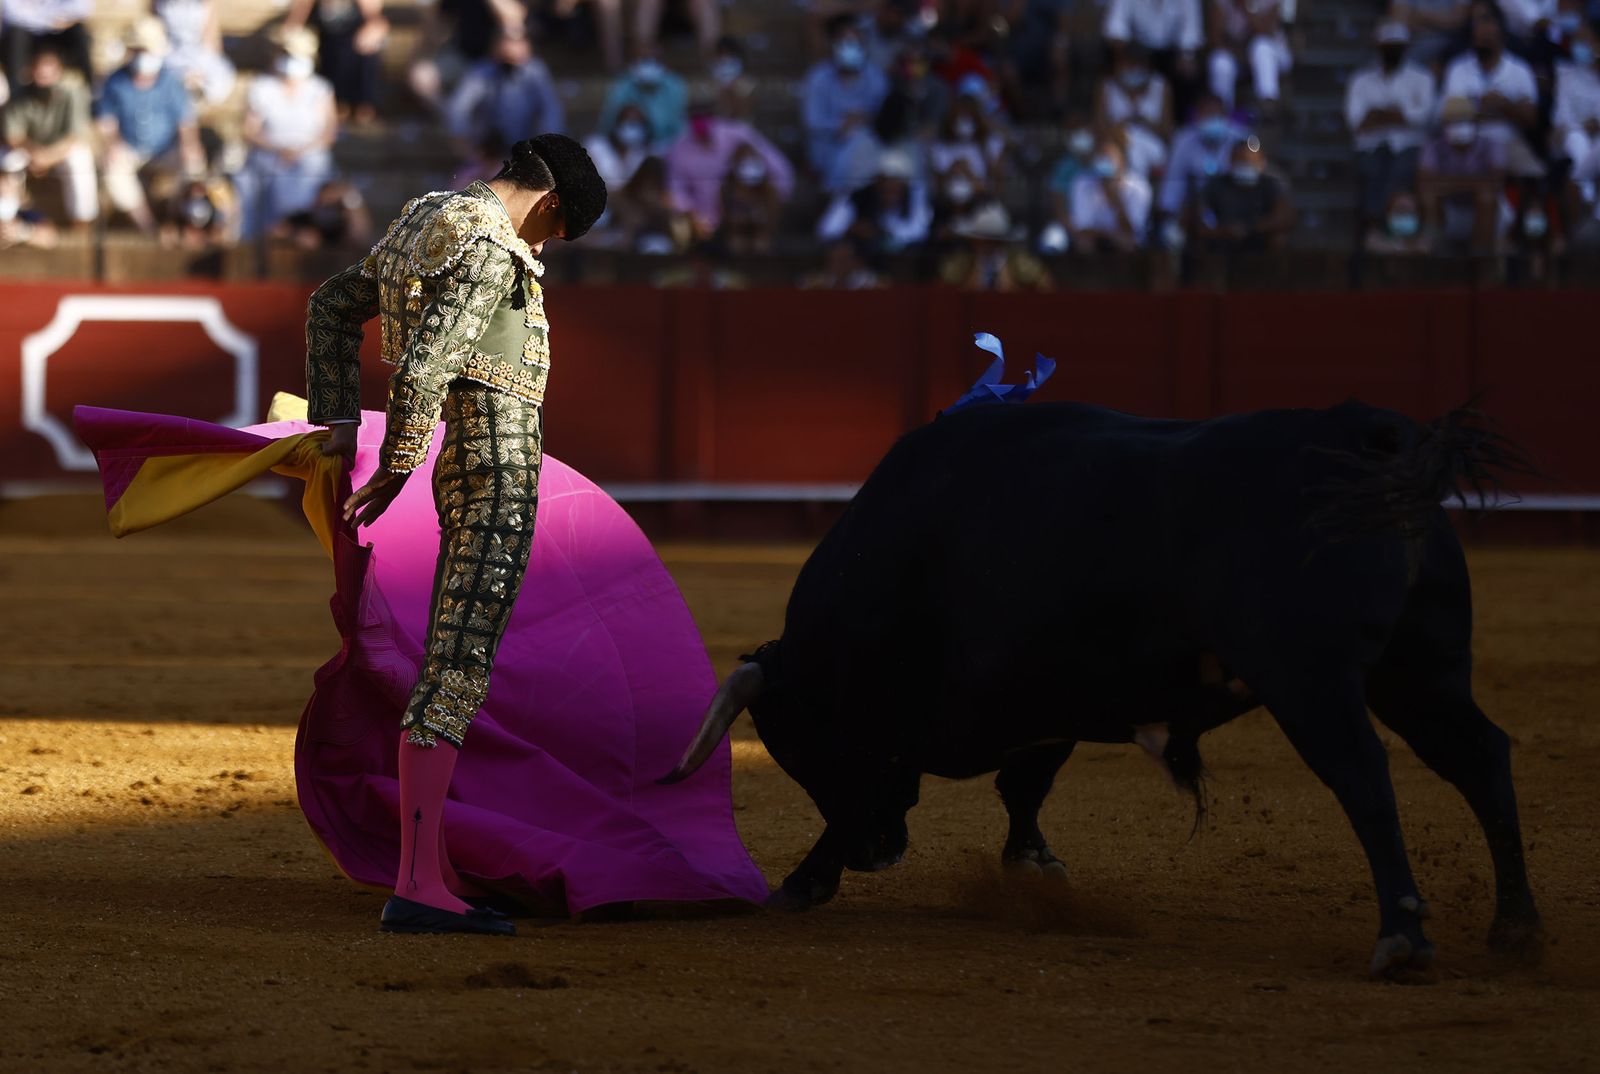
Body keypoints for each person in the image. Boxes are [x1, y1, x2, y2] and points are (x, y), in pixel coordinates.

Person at [304, 134, 607, 936]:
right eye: (552, 234)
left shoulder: (424, 219)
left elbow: (330, 307)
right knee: (458, 664)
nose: (542, 249)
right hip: (495, 475)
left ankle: (429, 868)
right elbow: (428, 362)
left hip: (459, 469)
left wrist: (338, 423)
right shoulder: (490, 244)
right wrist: (395, 465)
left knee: (449, 658)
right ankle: (417, 886)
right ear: (547, 205)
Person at [95, 17, 205, 235]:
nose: (142, 55)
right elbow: (106, 122)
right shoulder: (114, 82)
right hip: (129, 147)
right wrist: (112, 145)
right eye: (138, 49)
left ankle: (178, 223)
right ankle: (149, 228)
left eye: (147, 49)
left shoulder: (172, 81)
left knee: (194, 163)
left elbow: (186, 122)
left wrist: (188, 145)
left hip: (166, 147)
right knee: (112, 168)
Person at [237, 27, 339, 239]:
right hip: (270, 154)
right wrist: (279, 149)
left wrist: (300, 150)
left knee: (311, 171)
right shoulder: (262, 87)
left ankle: (301, 231)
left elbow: (329, 133)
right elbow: (249, 131)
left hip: (309, 155)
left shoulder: (320, 89)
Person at [1346, 21, 1437, 234]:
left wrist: (1378, 114)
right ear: (1378, 46)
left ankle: (1387, 231)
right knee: (1371, 169)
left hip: (1409, 144)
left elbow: (1423, 117)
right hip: (1370, 145)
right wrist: (1398, 115)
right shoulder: (1361, 80)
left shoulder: (1421, 77)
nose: (1392, 50)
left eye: (1397, 45)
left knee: (1401, 172)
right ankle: (1375, 231)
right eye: (1388, 45)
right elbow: (1357, 122)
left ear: (1406, 47)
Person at [1439, 2, 1543, 177]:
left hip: (1508, 142)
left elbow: (1531, 118)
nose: (1479, 28)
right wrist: (1488, 106)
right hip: (1466, 145)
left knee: (1535, 175)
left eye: (1485, 21)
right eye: (1475, 23)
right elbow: (1449, 113)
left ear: (1500, 28)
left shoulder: (1519, 69)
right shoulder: (1457, 67)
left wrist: (1502, 104)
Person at [664, 101, 793, 238]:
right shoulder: (679, 149)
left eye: (704, 116)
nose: (700, 121)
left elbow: (780, 169)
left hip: (745, 212)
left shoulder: (739, 134)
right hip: (704, 223)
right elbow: (675, 190)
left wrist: (770, 202)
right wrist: (693, 214)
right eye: (694, 118)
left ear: (714, 115)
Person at [3, 43, 97, 229]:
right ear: (31, 72)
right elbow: (13, 136)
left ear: (59, 73)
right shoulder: (20, 96)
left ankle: (82, 222)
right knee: (8, 160)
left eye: (48, 74)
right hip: (30, 151)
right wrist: (36, 154)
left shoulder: (73, 94)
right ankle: (7, 219)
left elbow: (76, 136)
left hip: (60, 151)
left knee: (80, 158)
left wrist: (48, 157)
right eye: (40, 73)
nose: (44, 79)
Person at [803, 14, 890, 192]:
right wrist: (841, 125)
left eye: (856, 42)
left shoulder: (876, 78)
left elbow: (884, 118)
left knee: (862, 140)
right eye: (846, 42)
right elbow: (812, 121)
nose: (851, 47)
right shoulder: (818, 77)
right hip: (826, 146)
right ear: (834, 44)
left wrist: (861, 120)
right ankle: (840, 192)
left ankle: (844, 195)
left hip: (867, 147)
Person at [444, 29, 564, 152]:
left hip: (527, 149)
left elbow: (551, 110)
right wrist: (464, 141)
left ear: (527, 45)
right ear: (494, 45)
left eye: (517, 41)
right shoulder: (481, 71)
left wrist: (547, 145)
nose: (510, 46)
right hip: (487, 150)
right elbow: (458, 108)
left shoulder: (536, 71)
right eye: (506, 40)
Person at [1418, 95, 1507, 251]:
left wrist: (1447, 183)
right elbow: (1424, 183)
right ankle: (1439, 256)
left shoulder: (1491, 145)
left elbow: (1496, 183)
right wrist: (1476, 183)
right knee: (1429, 196)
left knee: (1487, 196)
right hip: (1448, 210)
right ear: (1445, 125)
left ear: (1475, 123)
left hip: (1484, 212)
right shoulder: (1433, 146)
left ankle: (1481, 259)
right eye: (1454, 121)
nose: (1460, 125)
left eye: (1465, 120)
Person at [284, 0, 390, 124]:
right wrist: (292, 30)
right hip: (328, 40)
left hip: (356, 38)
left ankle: (362, 104)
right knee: (334, 50)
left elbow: (375, 19)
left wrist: (373, 29)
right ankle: (338, 104)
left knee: (361, 47)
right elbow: (300, 11)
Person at [815, 146, 933, 254]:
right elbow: (826, 229)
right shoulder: (857, 196)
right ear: (878, 182)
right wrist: (851, 228)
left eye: (896, 182)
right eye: (886, 182)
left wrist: (882, 233)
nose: (890, 188)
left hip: (904, 258)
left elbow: (920, 232)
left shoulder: (916, 194)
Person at [1102, 0, 1204, 117]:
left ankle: (1177, 121)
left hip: (1171, 53)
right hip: (1137, 49)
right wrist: (1124, 58)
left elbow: (1191, 31)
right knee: (1116, 63)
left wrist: (1186, 56)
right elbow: (1116, 26)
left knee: (1189, 72)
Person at [1192, 137, 1294, 251]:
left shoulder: (1270, 184)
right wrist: (1224, 231)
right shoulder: (1216, 185)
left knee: (1279, 238)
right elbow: (1201, 218)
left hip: (1259, 237)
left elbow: (1284, 217)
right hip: (1223, 237)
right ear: (1230, 161)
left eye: (1250, 162)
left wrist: (1252, 228)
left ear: (1262, 162)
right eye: (1241, 161)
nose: (1245, 166)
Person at [1158, 91, 1245, 218]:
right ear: (1197, 116)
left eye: (1216, 115)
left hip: (1233, 198)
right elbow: (1174, 178)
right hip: (1197, 201)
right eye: (1207, 115)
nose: (1212, 119)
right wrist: (1168, 212)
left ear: (1225, 116)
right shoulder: (1183, 139)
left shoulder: (1241, 137)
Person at [938, 200, 1052, 289]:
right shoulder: (962, 262)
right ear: (974, 241)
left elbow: (1045, 287)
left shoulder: (1020, 262)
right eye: (983, 241)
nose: (988, 247)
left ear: (1002, 243)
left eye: (994, 242)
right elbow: (945, 293)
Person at [1207, 0, 1293, 115]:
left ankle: (1268, 104)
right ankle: (1221, 114)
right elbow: (1216, 39)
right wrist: (1240, 55)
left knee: (1261, 47)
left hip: (1272, 53)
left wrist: (1245, 7)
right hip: (1235, 54)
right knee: (1220, 62)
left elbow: (1264, 31)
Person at [1067, 138, 1152, 251]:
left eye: (1108, 158)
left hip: (1124, 240)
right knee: (1084, 243)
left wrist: (1116, 202)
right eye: (1100, 157)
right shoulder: (1082, 182)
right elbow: (1083, 229)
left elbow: (1132, 232)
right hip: (1097, 238)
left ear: (1122, 162)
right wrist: (1109, 235)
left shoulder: (1139, 187)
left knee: (1127, 243)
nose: (1103, 161)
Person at [154, 0, 237, 107]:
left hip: (182, 53)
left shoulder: (169, 66)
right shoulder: (217, 76)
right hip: (182, 51)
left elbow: (211, 32)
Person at [0, 0, 91, 96]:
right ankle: (16, 92)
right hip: (27, 30)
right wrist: (48, 20)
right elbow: (12, 14)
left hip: (58, 28)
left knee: (80, 34)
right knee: (16, 36)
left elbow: (81, 8)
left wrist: (59, 19)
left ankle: (89, 89)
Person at [597, 51, 688, 146]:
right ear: (632, 63)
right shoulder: (621, 85)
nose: (648, 66)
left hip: (666, 143)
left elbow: (678, 124)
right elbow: (608, 121)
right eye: (644, 60)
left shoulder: (674, 84)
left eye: (653, 61)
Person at [1096, 42, 1174, 143]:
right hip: (1117, 147)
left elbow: (1167, 134)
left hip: (1152, 150)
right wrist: (1122, 125)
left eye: (1138, 64)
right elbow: (1099, 131)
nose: (1133, 68)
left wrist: (1143, 123)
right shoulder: (1106, 86)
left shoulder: (1162, 87)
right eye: (1129, 63)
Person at [1551, 30, 1600, 167]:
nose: (1578, 45)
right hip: (1569, 140)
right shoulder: (1565, 74)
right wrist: (1584, 127)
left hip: (1595, 142)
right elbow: (1562, 121)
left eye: (1584, 40)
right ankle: (1585, 185)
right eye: (1577, 40)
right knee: (1577, 139)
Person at [584, 103, 655, 190]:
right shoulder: (596, 146)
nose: (632, 128)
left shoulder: (642, 156)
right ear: (617, 123)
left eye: (636, 123)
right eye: (629, 122)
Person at [1390, 0, 1470, 69]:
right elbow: (1399, 22)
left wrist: (1421, 17)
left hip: (1448, 43)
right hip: (1413, 42)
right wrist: (1441, 22)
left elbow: (1458, 22)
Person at [1365, 189, 1431, 252]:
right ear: (1388, 213)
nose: (1404, 215)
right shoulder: (1374, 238)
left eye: (1409, 211)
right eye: (1400, 210)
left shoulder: (1427, 238)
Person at [710, 35, 756, 122]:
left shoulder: (737, 62)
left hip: (735, 85)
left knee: (747, 87)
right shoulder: (715, 64)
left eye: (727, 51)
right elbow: (715, 78)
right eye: (722, 51)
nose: (725, 54)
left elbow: (740, 76)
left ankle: (741, 115)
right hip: (722, 87)